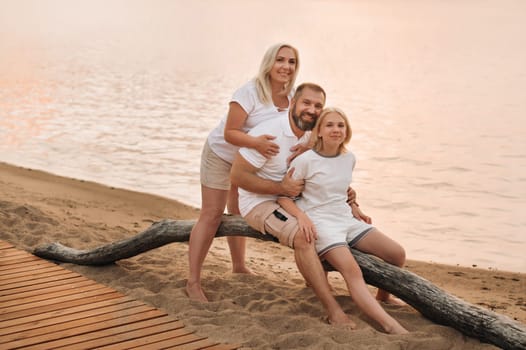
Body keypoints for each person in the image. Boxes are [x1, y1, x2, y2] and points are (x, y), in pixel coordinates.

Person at [231, 82, 357, 327]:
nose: (311, 109)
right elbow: (237, 177)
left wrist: (348, 195)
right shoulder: (270, 134)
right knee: (303, 235)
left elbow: (330, 168)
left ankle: (315, 280)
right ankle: (333, 311)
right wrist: (281, 189)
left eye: (318, 106)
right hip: (260, 202)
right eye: (306, 103)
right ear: (293, 104)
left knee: (323, 223)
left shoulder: (312, 135)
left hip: (293, 199)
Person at [186, 43, 301, 302]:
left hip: (250, 163)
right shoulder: (249, 92)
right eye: (280, 60)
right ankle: (193, 281)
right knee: (212, 214)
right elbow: (230, 132)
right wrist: (257, 142)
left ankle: (238, 266)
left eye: (291, 62)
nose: (285, 66)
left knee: (238, 212)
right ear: (269, 63)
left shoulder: (293, 96)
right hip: (222, 155)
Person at [277, 107, 408, 334]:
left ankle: (382, 297)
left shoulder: (349, 158)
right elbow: (283, 196)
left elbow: (340, 189)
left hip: (345, 219)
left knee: (397, 254)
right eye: (329, 125)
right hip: (322, 225)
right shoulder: (305, 160)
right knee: (353, 272)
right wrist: (302, 217)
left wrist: (355, 207)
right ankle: (390, 325)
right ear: (318, 131)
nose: (335, 130)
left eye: (340, 125)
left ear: (346, 131)